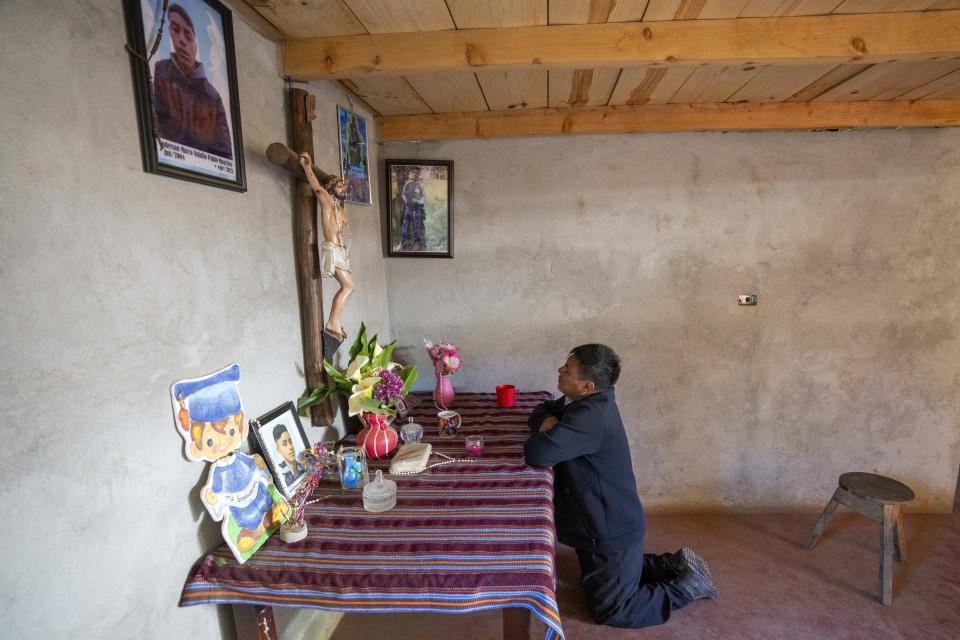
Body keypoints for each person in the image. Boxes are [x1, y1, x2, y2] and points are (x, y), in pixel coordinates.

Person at [523, 344, 718, 628]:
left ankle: (687, 586)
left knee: (613, 609)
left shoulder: (590, 418)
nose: (560, 371)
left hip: (609, 529)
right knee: (599, 575)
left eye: (567, 369)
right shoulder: (583, 402)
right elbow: (541, 408)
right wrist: (549, 421)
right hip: (598, 522)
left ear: (587, 386)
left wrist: (549, 429)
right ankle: (670, 565)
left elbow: (537, 454)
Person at [152, 3, 233, 159]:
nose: (181, 40)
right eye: (175, 30)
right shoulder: (160, 71)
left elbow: (225, 153)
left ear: (196, 46)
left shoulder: (213, 96)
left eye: (188, 36)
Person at [298, 152, 353, 357]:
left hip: (340, 251)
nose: (342, 188)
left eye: (343, 186)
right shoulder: (328, 202)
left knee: (349, 287)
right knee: (348, 286)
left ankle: (335, 322)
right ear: (331, 188)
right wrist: (307, 167)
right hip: (332, 249)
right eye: (339, 185)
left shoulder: (340, 208)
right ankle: (333, 323)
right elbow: (317, 188)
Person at [399, 167, 426, 251]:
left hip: (417, 208)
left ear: (419, 174)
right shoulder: (407, 183)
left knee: (416, 224)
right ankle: (403, 241)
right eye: (414, 172)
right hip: (408, 207)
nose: (415, 174)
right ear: (411, 173)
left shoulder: (420, 185)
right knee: (405, 224)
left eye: (417, 173)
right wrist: (406, 201)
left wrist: (418, 201)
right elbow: (403, 194)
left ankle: (416, 242)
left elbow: (424, 197)